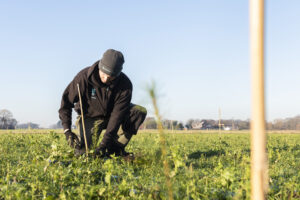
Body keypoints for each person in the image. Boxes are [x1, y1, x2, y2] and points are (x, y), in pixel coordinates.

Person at [58, 49, 147, 157]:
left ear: (118, 74)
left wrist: (103, 145)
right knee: (83, 154)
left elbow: (116, 117)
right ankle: (89, 150)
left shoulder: (125, 85)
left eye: (110, 77)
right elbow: (65, 104)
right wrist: (67, 130)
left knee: (138, 112)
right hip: (90, 117)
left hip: (112, 117)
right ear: (100, 66)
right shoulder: (83, 78)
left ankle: (114, 150)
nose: (105, 79)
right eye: (103, 74)